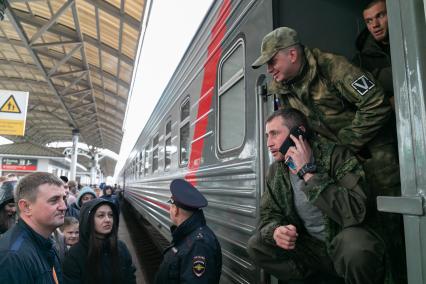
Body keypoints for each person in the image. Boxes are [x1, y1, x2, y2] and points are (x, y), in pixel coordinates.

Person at [252, 27, 403, 282]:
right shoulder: (283, 87)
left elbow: (376, 103)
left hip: (373, 155)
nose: (269, 70)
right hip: (334, 160)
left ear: (291, 54)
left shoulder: (334, 68)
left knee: (387, 226)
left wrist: (343, 144)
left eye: (272, 61)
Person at [247, 108, 385, 283]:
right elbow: (267, 214)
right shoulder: (277, 170)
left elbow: (357, 210)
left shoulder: (336, 155)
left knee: (356, 246)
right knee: (257, 244)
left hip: (342, 245)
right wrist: (275, 231)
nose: (269, 143)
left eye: (274, 134)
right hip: (312, 250)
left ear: (299, 132)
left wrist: (308, 174)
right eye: (267, 135)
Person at [0, 172, 66, 283]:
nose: (64, 206)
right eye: (54, 200)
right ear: (26, 207)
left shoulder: (47, 244)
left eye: (64, 198)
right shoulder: (12, 256)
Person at [155, 179, 222, 283]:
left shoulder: (199, 246)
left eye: (171, 206)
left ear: (176, 210)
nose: (170, 209)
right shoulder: (188, 235)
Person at [63, 199, 136, 283]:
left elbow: (130, 277)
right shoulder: (74, 255)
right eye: (101, 216)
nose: (108, 219)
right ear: (88, 219)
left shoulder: (121, 247)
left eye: (111, 215)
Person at [353, 0, 394, 109]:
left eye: (380, 16)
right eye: (369, 21)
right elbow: (361, 99)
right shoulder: (360, 62)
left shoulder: (413, 41)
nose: (375, 25)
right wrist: (389, 103)